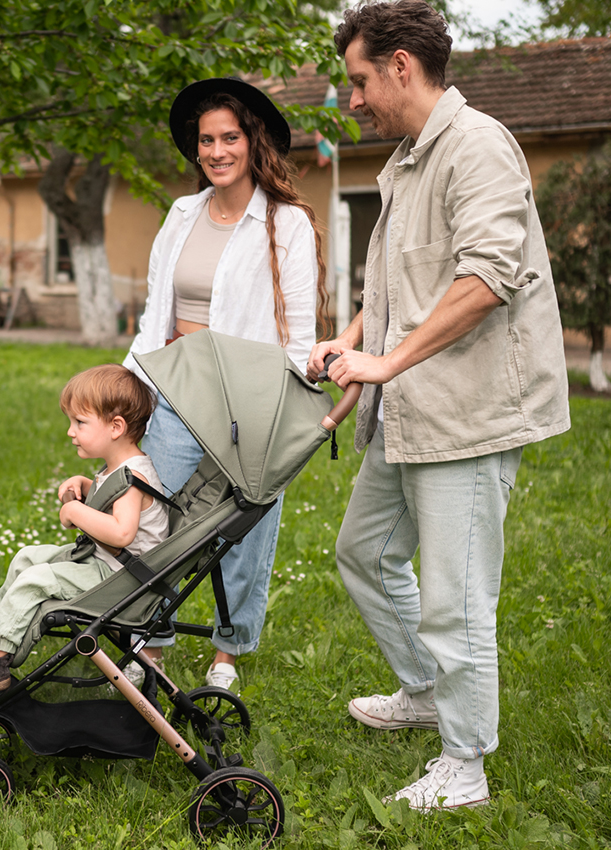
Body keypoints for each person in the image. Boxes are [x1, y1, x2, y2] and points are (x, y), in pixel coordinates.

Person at [307, 0, 570, 811]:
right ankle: (427, 691)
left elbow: (488, 278)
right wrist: (351, 346)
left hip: (469, 413)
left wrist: (382, 362)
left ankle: (466, 767)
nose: (351, 101)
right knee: (364, 553)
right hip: (408, 405)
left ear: (399, 66)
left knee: (457, 597)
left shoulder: (478, 147)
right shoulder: (410, 159)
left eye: (357, 82)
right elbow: (396, 281)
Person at [123, 77, 329, 692]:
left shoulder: (286, 223)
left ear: (253, 141)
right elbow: (155, 309)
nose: (216, 151)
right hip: (177, 393)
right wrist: (129, 382)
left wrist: (284, 409)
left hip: (249, 402)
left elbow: (297, 332)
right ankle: (151, 644)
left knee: (245, 526)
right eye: (206, 140)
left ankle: (227, 655)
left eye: (229, 138)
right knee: (158, 516)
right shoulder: (182, 213)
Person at [0, 364, 169, 692]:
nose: (71, 431)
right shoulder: (122, 468)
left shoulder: (133, 479)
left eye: (80, 422)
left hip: (121, 579)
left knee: (36, 581)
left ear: (116, 427)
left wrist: (75, 509)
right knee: (27, 558)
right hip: (107, 564)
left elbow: (121, 533)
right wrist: (87, 486)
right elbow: (114, 500)